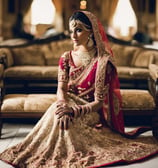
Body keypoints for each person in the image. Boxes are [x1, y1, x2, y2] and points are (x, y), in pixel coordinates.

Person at [0, 11, 158, 168]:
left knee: (65, 120)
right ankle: (46, 150)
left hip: (88, 111)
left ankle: (61, 152)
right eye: (71, 30)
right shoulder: (66, 57)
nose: (73, 35)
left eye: (79, 29)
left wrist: (74, 111)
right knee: (58, 111)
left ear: (92, 31)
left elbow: (98, 103)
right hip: (67, 103)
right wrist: (63, 104)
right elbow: (61, 88)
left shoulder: (103, 62)